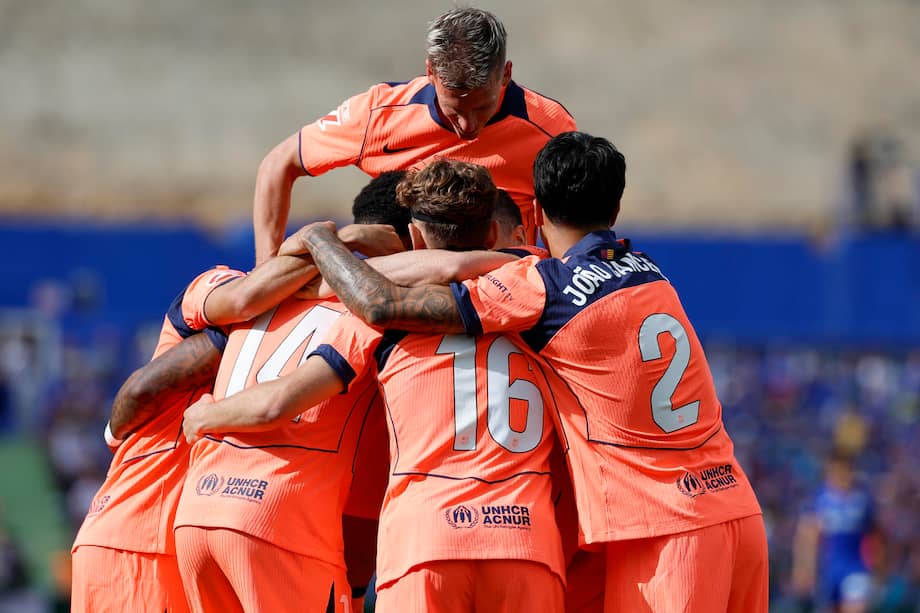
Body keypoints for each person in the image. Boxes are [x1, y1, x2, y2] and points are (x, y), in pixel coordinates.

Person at [292, 131, 770, 612]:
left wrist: (321, 240)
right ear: (616, 209)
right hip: (737, 512)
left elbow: (380, 303)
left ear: (536, 211)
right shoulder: (649, 270)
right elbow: (489, 263)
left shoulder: (545, 292)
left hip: (665, 531)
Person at [184, 159, 567, 612]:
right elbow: (459, 266)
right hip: (522, 540)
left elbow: (275, 397)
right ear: (493, 234)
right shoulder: (542, 285)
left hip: (415, 541)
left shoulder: (344, 309)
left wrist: (205, 414)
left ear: (415, 237)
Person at [70, 249, 322, 613]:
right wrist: (113, 430)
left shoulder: (281, 331)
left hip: (171, 542)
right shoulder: (217, 291)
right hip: (140, 540)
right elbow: (141, 388)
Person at [253, 7, 576, 263]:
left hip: (505, 294)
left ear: (505, 74)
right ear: (430, 73)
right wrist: (264, 269)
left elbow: (568, 227)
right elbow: (279, 163)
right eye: (455, 110)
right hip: (396, 296)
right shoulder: (378, 114)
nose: (467, 126)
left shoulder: (550, 128)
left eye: (482, 108)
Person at [793, 451, 877, 613]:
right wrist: (803, 569)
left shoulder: (862, 500)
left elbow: (875, 535)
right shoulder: (820, 500)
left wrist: (878, 567)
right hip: (828, 570)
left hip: (855, 568)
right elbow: (807, 537)